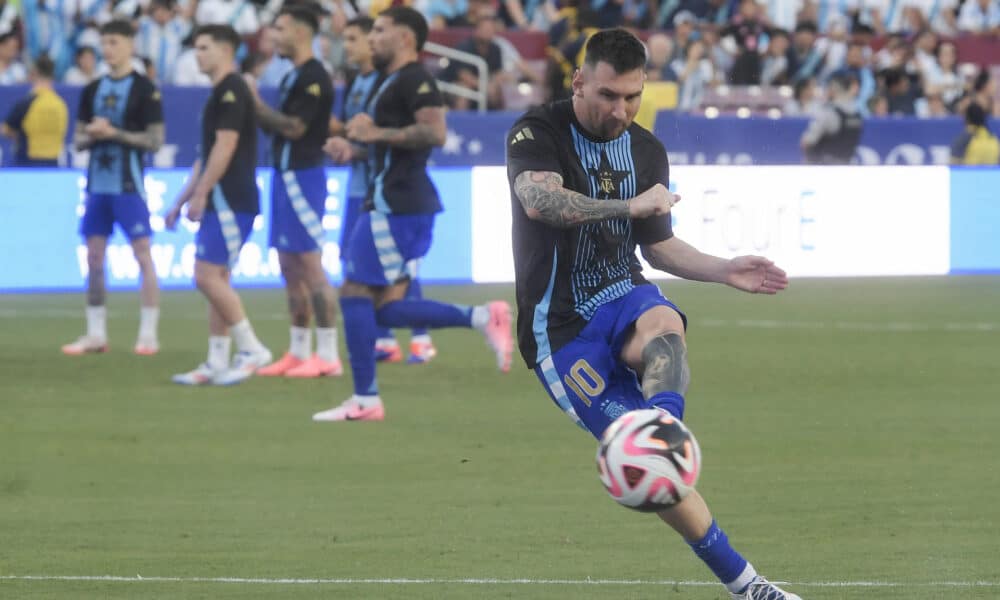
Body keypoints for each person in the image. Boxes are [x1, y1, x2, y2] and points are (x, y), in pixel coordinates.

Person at [505, 29, 799, 600]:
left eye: (633, 97)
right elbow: (540, 201)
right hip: (559, 328)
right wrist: (627, 204)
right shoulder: (536, 131)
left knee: (666, 332)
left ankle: (665, 428)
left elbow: (657, 247)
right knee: (658, 481)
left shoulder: (646, 150)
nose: (621, 110)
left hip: (623, 292)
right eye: (609, 95)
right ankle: (744, 581)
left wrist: (723, 269)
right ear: (580, 81)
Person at [312, 6, 513, 423]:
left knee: (352, 293)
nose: (372, 38)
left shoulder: (415, 79)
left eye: (381, 30)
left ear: (405, 38)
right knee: (384, 309)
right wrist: (356, 148)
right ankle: (482, 316)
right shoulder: (392, 82)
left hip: (396, 205)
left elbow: (435, 132)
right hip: (399, 204)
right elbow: (395, 143)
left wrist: (374, 133)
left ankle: (365, 399)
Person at [325, 16, 437, 365]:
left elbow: (422, 132)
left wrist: (366, 136)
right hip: (364, 184)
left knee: (392, 272)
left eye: (356, 37)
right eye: (348, 39)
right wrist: (349, 145)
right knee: (363, 269)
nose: (353, 45)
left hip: (388, 190)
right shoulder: (360, 82)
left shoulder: (392, 79)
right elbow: (365, 135)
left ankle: (421, 337)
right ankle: (386, 341)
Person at [165, 24, 272, 385]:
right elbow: (206, 153)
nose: (198, 54)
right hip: (225, 198)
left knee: (206, 276)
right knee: (218, 278)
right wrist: (182, 198)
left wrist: (203, 192)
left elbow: (225, 146)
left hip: (231, 198)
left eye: (204, 47)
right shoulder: (220, 93)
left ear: (226, 50)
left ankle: (251, 347)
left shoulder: (231, 90)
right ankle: (215, 360)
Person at [244, 5, 343, 379]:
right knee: (288, 264)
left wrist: (253, 105)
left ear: (302, 33)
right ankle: (300, 351)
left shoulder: (315, 77)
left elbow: (296, 128)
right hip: (285, 177)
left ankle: (329, 354)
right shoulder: (293, 76)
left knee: (310, 263)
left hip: (304, 178)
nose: (274, 37)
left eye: (280, 29)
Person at [62, 20, 164, 356]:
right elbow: (76, 142)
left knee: (143, 255)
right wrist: (93, 134)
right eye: (104, 43)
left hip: (128, 184)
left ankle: (148, 333)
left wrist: (114, 133)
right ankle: (96, 334)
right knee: (93, 256)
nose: (108, 50)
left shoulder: (144, 89)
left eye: (115, 42)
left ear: (131, 46)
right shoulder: (92, 90)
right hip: (97, 187)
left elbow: (155, 141)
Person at [1, 55, 68, 167]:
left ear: (34, 73)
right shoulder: (60, 104)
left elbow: (7, 129)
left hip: (29, 163)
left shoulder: (27, 102)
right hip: (54, 164)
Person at [800, 71, 862, 165]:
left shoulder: (830, 113)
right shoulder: (857, 115)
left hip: (825, 167)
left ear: (833, 89)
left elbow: (807, 142)